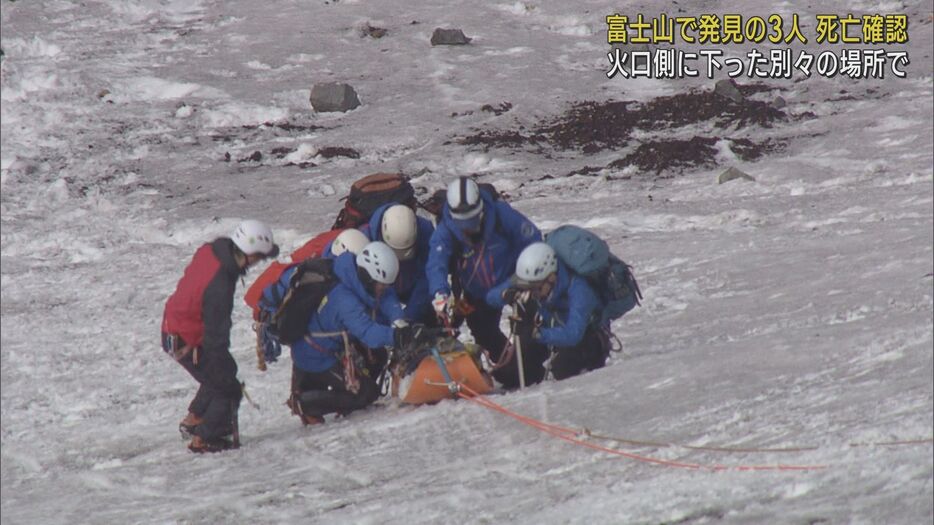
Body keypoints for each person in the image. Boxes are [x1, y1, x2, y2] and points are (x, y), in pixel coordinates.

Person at [161, 219, 279, 453]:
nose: (258, 263)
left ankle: (195, 418)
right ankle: (205, 437)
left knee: (218, 377)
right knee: (228, 387)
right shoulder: (221, 284)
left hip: (174, 329)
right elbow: (216, 334)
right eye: (258, 257)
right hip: (187, 340)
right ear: (248, 253)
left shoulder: (213, 251)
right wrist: (224, 364)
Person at [287, 241, 421, 425]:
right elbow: (368, 333)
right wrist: (397, 336)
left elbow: (387, 297)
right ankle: (304, 403)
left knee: (378, 356)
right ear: (369, 279)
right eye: (381, 285)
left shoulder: (355, 278)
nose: (383, 289)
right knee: (367, 394)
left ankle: (351, 388)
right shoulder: (344, 300)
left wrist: (400, 322)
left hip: (329, 344)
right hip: (315, 356)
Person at [425, 176, 541, 388]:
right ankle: (510, 369)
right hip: (477, 294)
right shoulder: (445, 232)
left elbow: (533, 240)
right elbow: (436, 264)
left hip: (515, 283)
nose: (469, 229)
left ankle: (533, 365)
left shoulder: (502, 215)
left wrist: (524, 278)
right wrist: (439, 293)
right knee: (484, 332)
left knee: (529, 330)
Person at [486, 242, 609, 387]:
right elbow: (490, 297)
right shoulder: (532, 278)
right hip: (549, 332)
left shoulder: (579, 289)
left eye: (535, 288)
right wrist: (506, 294)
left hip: (585, 339)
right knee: (511, 375)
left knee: (562, 372)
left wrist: (535, 333)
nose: (532, 293)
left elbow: (573, 334)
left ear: (551, 278)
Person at [361, 203, 435, 324]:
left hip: (413, 285)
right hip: (382, 293)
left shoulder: (426, 232)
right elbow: (373, 288)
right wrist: (394, 319)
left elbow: (428, 275)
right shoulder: (366, 240)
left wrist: (411, 315)